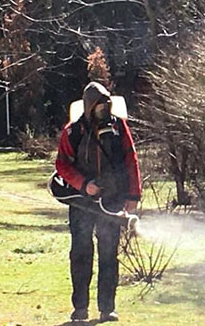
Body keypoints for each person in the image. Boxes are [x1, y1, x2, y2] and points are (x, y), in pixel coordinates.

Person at [55, 82, 141, 323]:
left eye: (107, 103)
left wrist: (133, 197)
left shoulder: (119, 127)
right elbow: (62, 164)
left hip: (112, 202)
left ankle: (107, 308)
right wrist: (84, 184)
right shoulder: (73, 131)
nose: (104, 108)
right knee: (81, 255)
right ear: (89, 106)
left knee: (108, 255)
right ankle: (80, 310)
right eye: (99, 105)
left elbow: (131, 159)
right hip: (81, 202)